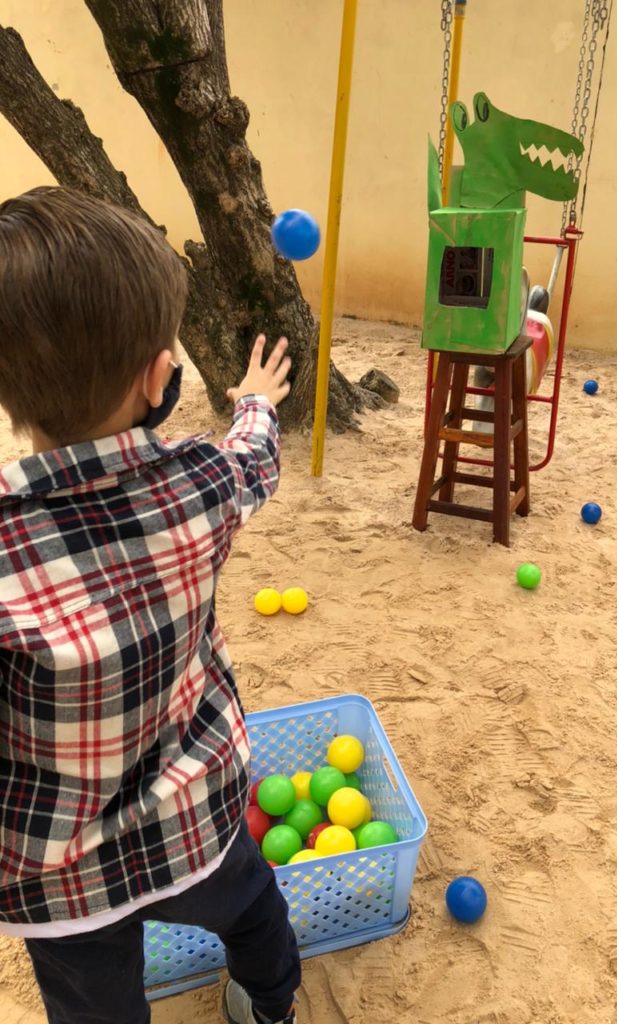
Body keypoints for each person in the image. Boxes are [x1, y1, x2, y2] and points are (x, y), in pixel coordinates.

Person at [0, 186, 300, 1024]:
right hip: (197, 824)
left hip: (62, 885)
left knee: (94, 1011)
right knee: (257, 914)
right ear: (161, 376)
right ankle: (268, 1006)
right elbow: (254, 460)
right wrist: (255, 401)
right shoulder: (199, 483)